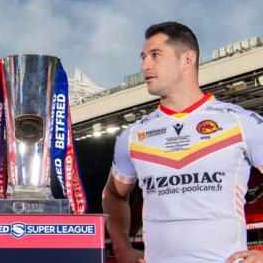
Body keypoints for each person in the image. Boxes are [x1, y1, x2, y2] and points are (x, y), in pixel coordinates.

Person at [102, 21, 263, 263]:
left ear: (187, 59)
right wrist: (122, 247)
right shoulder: (133, 135)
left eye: (155, 55)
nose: (144, 65)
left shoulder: (241, 122)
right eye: (143, 56)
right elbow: (113, 194)